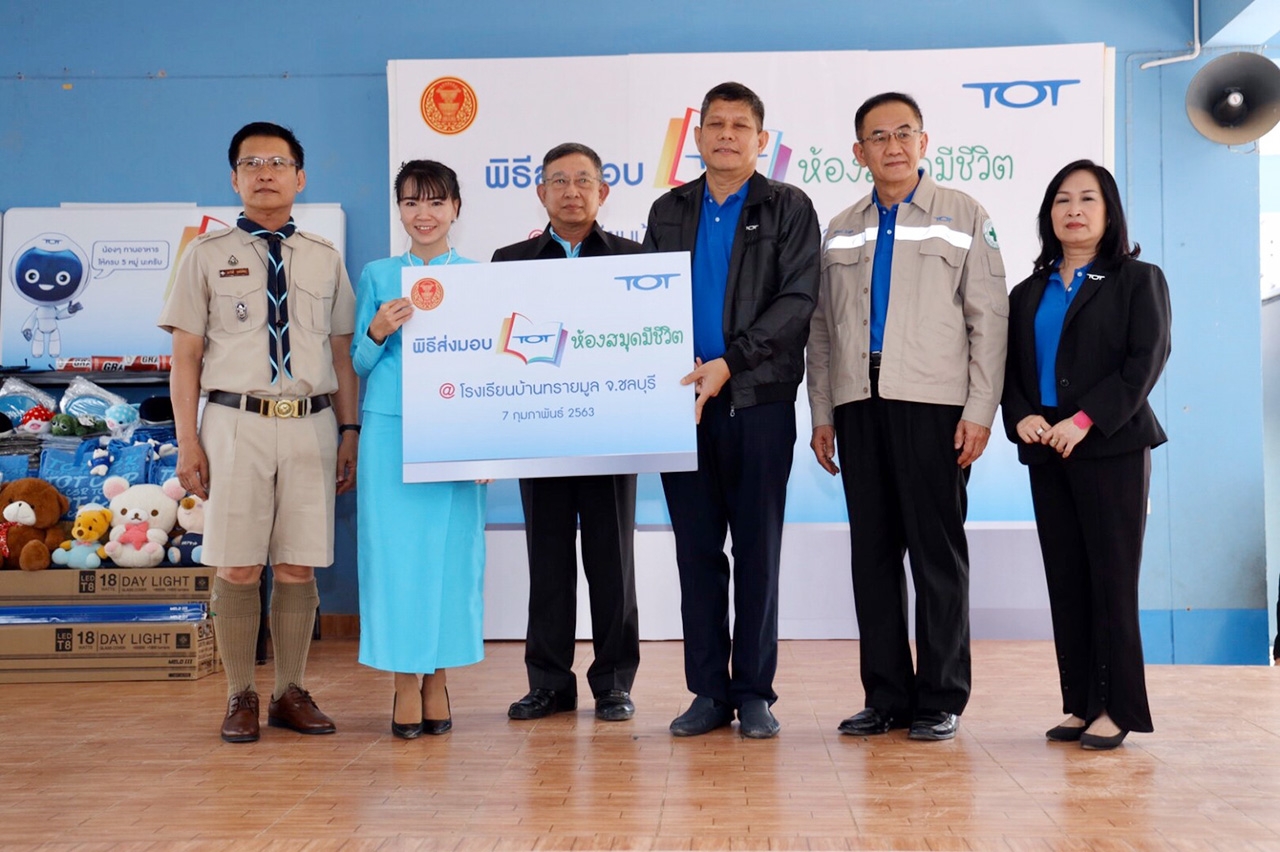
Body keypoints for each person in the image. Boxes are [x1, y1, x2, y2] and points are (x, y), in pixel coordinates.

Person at [806, 92, 1008, 742]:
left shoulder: (964, 214)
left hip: (934, 407)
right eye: (878, 137)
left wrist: (979, 410)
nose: (892, 146)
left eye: (903, 133)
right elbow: (821, 330)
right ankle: (886, 695)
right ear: (858, 152)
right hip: (857, 407)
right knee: (872, 558)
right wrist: (822, 412)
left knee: (935, 556)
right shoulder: (840, 226)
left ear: (923, 143)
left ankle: (940, 697)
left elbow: (989, 318)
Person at [159, 121, 359, 743]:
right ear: (234, 179)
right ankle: (240, 693)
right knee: (239, 565)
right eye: (251, 164)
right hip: (233, 423)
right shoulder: (204, 256)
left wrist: (349, 431)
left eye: (277, 163)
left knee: (299, 564)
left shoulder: (325, 257)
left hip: (310, 424)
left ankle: (289, 692)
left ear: (300, 177)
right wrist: (188, 440)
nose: (264, 173)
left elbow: (342, 354)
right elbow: (185, 357)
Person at [645, 82, 820, 739]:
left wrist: (732, 362)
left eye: (739, 125)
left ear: (760, 139)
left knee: (756, 551)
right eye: (714, 124)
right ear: (696, 138)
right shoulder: (668, 209)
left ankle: (753, 693)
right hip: (682, 405)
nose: (726, 134)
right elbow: (644, 302)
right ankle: (708, 693)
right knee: (696, 554)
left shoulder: (788, 206)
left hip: (758, 401)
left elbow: (798, 301)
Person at [1001, 159, 1171, 750]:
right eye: (1062, 200)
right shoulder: (1027, 291)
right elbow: (1010, 369)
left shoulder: (1137, 279)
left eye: (1087, 199)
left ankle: (1117, 709)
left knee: (1112, 582)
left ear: (1109, 212)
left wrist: (1084, 420)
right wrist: (1021, 413)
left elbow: (1145, 361)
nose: (1073, 210)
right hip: (1047, 449)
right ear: (1048, 214)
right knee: (1067, 581)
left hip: (1110, 446)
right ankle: (1080, 704)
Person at [492, 142, 643, 723]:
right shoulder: (509, 262)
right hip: (539, 435)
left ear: (602, 192)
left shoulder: (634, 258)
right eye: (559, 180)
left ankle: (614, 683)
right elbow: (495, 347)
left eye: (583, 180)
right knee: (548, 562)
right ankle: (549, 683)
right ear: (541, 192)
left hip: (611, 434)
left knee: (613, 564)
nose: (571, 191)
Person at [352, 160, 486, 739]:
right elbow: (358, 363)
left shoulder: (479, 277)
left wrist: (487, 449)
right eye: (411, 202)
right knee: (394, 559)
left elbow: (492, 369)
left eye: (435, 202)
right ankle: (404, 680)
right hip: (390, 431)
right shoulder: (378, 274)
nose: (423, 214)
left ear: (456, 208)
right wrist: (378, 330)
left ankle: (439, 679)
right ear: (399, 210)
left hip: (456, 435)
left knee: (452, 560)